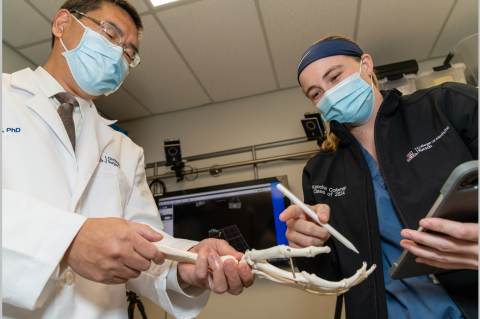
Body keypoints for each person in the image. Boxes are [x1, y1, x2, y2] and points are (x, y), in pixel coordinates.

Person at [2, 1, 254, 318]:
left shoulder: (124, 148)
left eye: (128, 53)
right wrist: (65, 241)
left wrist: (188, 263)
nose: (118, 55)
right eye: (110, 33)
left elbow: (144, 241)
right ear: (62, 23)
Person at [280, 35, 478, 319]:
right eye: (315, 93)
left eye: (335, 76)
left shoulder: (446, 106)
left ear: (366, 65)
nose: (329, 94)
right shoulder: (320, 171)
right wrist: (307, 244)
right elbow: (333, 274)